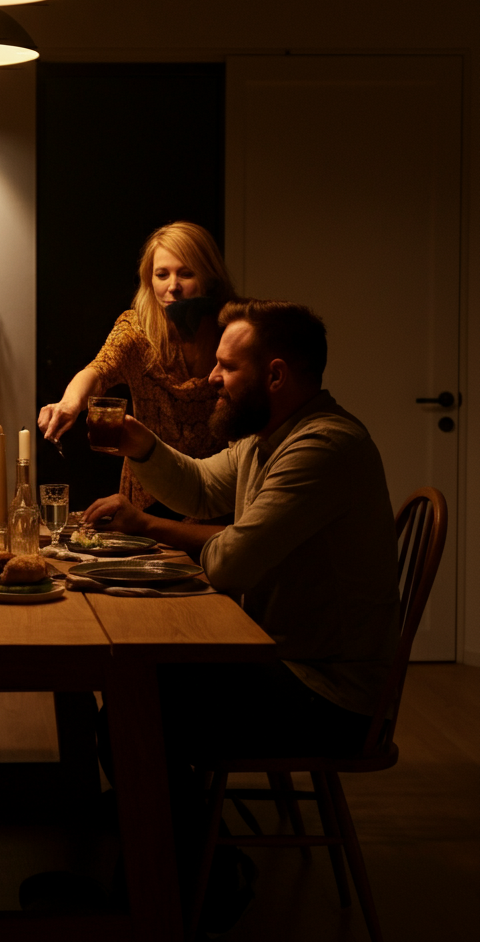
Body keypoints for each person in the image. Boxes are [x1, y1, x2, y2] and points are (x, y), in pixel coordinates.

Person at [93, 299, 402, 927]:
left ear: (277, 375)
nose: (211, 377)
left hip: (330, 694)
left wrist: (145, 524)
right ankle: (174, 866)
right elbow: (204, 487)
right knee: (140, 691)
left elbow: (230, 562)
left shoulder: (323, 448)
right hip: (288, 658)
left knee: (137, 707)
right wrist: (141, 443)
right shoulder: (273, 438)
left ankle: (185, 891)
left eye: (227, 367)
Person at [38, 221, 236, 515]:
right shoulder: (137, 327)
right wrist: (69, 404)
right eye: (162, 274)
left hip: (217, 488)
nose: (173, 287)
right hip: (150, 488)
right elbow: (98, 370)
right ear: (148, 278)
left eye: (186, 274)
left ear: (209, 276)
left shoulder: (231, 327)